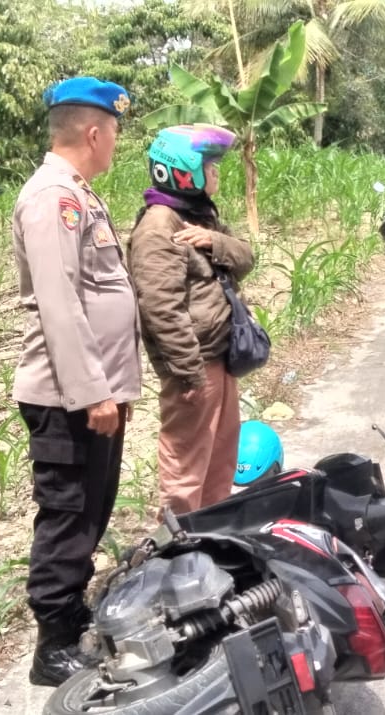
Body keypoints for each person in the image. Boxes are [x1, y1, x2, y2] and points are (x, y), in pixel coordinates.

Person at [11, 76, 138, 684]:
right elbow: (59, 302)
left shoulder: (78, 195)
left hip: (94, 394)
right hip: (69, 398)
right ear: (93, 133)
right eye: (113, 132)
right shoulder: (52, 198)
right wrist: (93, 392)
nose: (115, 143)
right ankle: (52, 645)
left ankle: (71, 614)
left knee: (90, 511)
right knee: (67, 514)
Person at [128, 124, 255, 517]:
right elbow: (160, 308)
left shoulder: (197, 217)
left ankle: (211, 535)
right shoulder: (158, 226)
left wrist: (213, 241)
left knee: (220, 459)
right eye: (209, 166)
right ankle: (179, 540)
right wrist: (188, 373)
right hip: (195, 364)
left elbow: (246, 257)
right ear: (184, 172)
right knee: (186, 470)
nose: (216, 172)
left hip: (220, 356)